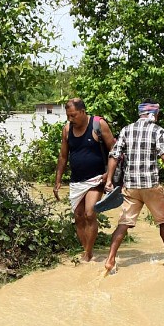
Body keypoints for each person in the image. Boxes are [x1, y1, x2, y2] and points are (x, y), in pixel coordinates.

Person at [103, 101, 164, 274]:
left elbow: (114, 154)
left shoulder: (127, 129)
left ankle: (110, 259)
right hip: (150, 186)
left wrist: (109, 180)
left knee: (124, 223)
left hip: (131, 186)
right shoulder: (158, 130)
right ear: (154, 114)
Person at [52, 98, 115, 261]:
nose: (70, 119)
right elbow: (63, 156)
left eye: (73, 115)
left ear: (82, 112)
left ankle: (87, 253)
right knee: (79, 216)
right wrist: (58, 180)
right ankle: (87, 250)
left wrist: (109, 173)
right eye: (68, 116)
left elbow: (114, 150)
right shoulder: (67, 129)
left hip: (96, 179)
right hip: (76, 180)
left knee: (89, 213)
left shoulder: (98, 124)